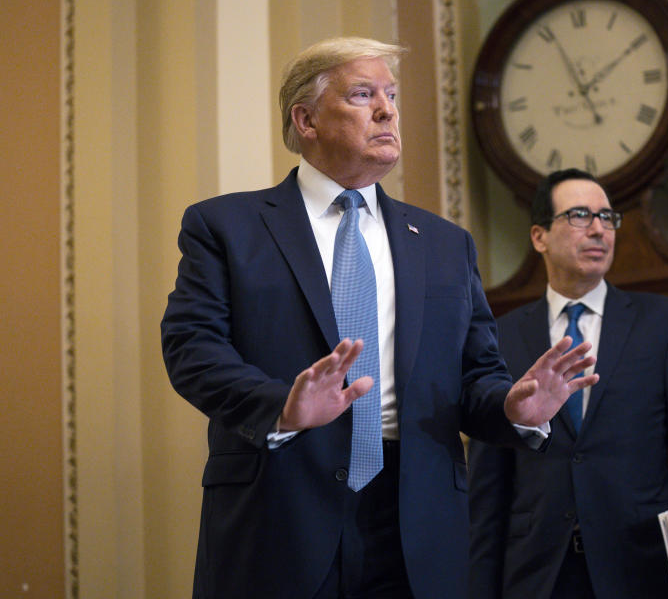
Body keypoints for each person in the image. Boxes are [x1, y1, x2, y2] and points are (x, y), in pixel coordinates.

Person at [160, 37, 598, 599]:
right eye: (363, 95)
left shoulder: (444, 244)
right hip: (278, 513)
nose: (388, 110)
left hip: (415, 521)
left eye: (390, 95)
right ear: (307, 118)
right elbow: (192, 349)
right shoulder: (227, 227)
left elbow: (474, 378)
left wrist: (515, 407)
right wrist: (282, 407)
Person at [468, 169, 668, 599]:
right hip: (537, 575)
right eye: (579, 215)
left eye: (607, 217)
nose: (599, 229)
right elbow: (487, 491)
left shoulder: (663, 325)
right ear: (539, 236)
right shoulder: (501, 337)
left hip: (641, 569)